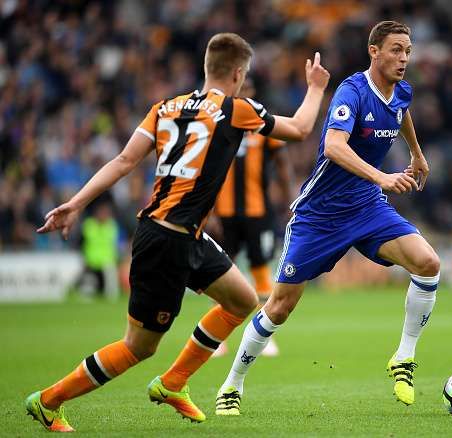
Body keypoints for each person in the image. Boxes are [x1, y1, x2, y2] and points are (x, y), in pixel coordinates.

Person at [26, 32, 329, 432]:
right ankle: (49, 401)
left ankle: (173, 383)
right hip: (166, 240)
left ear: (208, 68)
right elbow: (302, 128)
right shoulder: (236, 109)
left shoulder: (163, 108)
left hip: (186, 235)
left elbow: (123, 161)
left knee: (242, 300)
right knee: (138, 347)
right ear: (239, 74)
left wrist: (75, 203)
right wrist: (316, 87)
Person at [215, 21, 440, 416]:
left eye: (408, 50)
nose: (404, 58)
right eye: (396, 50)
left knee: (428, 263)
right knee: (280, 306)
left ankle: (404, 358)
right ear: (374, 51)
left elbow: (401, 111)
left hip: (367, 207)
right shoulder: (351, 92)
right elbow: (334, 146)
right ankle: (232, 385)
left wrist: (416, 154)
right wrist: (383, 176)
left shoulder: (402, 90)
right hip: (319, 215)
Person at [211, 78, 294, 358]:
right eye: (239, 89)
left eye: (247, 89)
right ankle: (216, 338)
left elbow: (282, 165)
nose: (243, 94)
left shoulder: (264, 125)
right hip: (224, 214)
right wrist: (207, 211)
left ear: (253, 92)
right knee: (221, 274)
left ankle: (262, 335)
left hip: (258, 213)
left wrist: (290, 198)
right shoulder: (219, 122)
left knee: (260, 270)